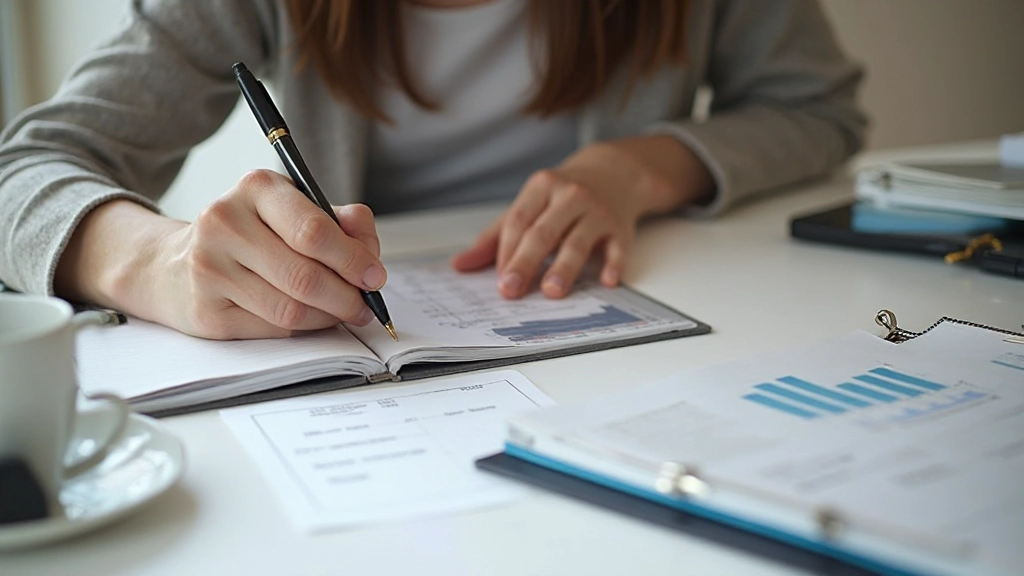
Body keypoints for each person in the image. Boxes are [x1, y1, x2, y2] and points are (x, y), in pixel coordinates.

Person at [0, 0, 866, 340]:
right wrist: (156, 261)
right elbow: (23, 172)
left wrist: (638, 170)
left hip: (653, 315)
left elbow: (819, 110)